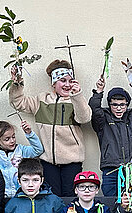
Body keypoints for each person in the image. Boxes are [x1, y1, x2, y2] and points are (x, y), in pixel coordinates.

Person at [9, 59, 92, 197]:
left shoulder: (75, 101)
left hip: (72, 161)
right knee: (51, 197)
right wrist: (17, 83)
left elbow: (85, 118)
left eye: (70, 81)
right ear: (53, 83)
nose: (67, 84)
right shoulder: (41, 100)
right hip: (47, 161)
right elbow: (17, 102)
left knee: (69, 196)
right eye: (62, 80)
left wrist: (77, 95)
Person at [89, 77, 132, 196]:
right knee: (111, 201)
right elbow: (94, 109)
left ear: (127, 105)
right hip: (111, 169)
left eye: (122, 104)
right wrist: (99, 91)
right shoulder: (103, 120)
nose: (119, 108)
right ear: (110, 105)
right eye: (115, 105)